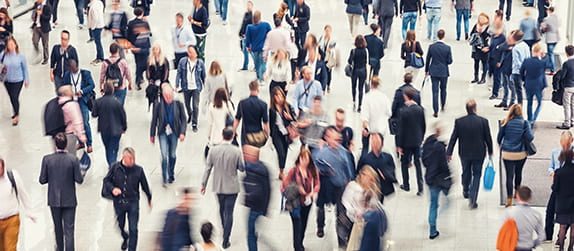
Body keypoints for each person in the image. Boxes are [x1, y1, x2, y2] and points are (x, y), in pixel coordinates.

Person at [39, 132, 84, 251]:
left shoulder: (47, 159)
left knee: (57, 228)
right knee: (69, 230)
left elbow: (42, 180)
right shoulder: (73, 159)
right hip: (69, 199)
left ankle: (59, 248)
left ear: (55, 144)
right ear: (67, 144)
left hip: (54, 199)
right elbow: (79, 180)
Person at [202, 127, 245, 249]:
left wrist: (203, 184)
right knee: (229, 212)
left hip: (218, 185)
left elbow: (208, 168)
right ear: (232, 137)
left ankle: (223, 225)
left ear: (222, 135)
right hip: (232, 186)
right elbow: (242, 168)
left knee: (221, 209)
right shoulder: (236, 151)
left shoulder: (213, 150)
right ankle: (226, 238)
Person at [103, 147, 152, 251]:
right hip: (119, 202)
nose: (132, 161)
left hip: (133, 202)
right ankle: (125, 237)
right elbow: (106, 180)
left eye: (133, 158)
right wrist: (113, 189)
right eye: (130, 158)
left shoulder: (139, 170)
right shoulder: (114, 167)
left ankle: (132, 248)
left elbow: (144, 185)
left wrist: (149, 198)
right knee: (120, 224)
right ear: (123, 157)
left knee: (133, 228)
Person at [446, 100, 493, 209]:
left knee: (466, 171)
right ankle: (473, 198)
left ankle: (465, 189)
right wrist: (490, 151)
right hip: (479, 153)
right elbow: (488, 138)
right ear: (475, 108)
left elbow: (454, 138)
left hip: (464, 152)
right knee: (477, 174)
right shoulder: (483, 122)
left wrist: (449, 152)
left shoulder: (459, 122)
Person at [314, 127, 355, 247]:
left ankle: (341, 241)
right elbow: (315, 165)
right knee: (321, 206)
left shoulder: (343, 152)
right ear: (326, 138)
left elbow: (349, 168)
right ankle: (320, 225)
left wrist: (350, 181)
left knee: (341, 213)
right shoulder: (321, 153)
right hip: (327, 186)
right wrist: (324, 171)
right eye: (331, 137)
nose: (335, 140)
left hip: (340, 186)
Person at [281, 148, 320, 251]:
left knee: (303, 224)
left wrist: (312, 192)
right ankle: (297, 247)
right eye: (302, 158)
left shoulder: (312, 170)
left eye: (306, 159)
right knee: (297, 225)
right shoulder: (294, 171)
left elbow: (317, 184)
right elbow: (284, 184)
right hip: (295, 202)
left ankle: (300, 243)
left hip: (307, 201)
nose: (304, 161)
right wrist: (297, 188)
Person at [497, 104, 534, 207]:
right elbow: (530, 138)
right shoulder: (524, 123)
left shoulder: (506, 122)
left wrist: (501, 144)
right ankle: (517, 193)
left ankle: (509, 199)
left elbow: (499, 138)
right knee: (518, 173)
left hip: (507, 153)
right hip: (520, 153)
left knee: (509, 175)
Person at [150, 83, 187, 186]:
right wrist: (152, 134)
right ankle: (165, 175)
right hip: (163, 132)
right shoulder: (158, 105)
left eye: (170, 95)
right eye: (167, 96)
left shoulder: (178, 104)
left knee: (172, 155)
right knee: (164, 154)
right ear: (163, 95)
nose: (169, 98)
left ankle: (171, 172)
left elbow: (183, 119)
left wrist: (182, 132)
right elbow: (154, 120)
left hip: (174, 132)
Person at [422, 121, 450, 239]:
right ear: (439, 131)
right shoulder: (439, 148)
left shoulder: (427, 144)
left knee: (433, 204)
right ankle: (436, 219)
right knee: (447, 201)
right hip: (440, 179)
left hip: (430, 178)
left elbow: (424, 161)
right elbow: (443, 165)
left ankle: (432, 229)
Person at [0, 157, 35, 251]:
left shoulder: (12, 177)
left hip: (12, 219)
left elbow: (23, 193)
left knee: (10, 248)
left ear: (3, 166)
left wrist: (30, 211)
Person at [545, 131, 574, 243]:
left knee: (568, 214)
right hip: (558, 186)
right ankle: (548, 235)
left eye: (566, 144)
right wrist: (552, 172)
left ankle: (561, 237)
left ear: (572, 141)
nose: (564, 146)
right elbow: (551, 167)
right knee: (550, 210)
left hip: (570, 188)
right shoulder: (555, 152)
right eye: (562, 143)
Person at [62, 59, 95, 153]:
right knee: (76, 123)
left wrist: (82, 91)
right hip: (72, 102)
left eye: (75, 67)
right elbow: (65, 86)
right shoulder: (67, 75)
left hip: (82, 100)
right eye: (71, 68)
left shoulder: (86, 74)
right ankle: (81, 142)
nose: (74, 69)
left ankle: (89, 144)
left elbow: (92, 85)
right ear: (69, 68)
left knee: (85, 122)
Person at [397, 86, 425, 195]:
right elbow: (423, 125)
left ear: (405, 96)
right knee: (418, 164)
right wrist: (421, 137)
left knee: (404, 163)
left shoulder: (404, 111)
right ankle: (420, 187)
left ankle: (406, 184)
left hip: (406, 142)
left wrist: (399, 144)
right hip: (417, 141)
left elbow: (401, 129)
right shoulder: (420, 109)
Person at [342, 165, 380, 245]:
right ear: (362, 175)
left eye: (371, 179)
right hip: (352, 222)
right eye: (367, 177)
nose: (368, 181)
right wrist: (355, 212)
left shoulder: (372, 190)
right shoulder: (353, 186)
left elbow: (374, 203)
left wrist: (370, 209)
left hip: (366, 222)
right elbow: (346, 201)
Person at [242, 145, 271, 251]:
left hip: (255, 206)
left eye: (246, 153)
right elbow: (268, 189)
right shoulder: (263, 168)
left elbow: (263, 189)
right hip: (260, 206)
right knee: (252, 230)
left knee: (250, 233)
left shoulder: (253, 169)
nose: (244, 155)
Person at [92, 81, 127, 166]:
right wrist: (124, 127)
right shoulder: (117, 102)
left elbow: (94, 114)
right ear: (112, 90)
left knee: (108, 148)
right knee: (114, 148)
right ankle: (113, 165)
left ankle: (111, 164)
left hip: (104, 130)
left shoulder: (98, 102)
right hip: (116, 129)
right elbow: (123, 116)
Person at [358, 133, 397, 203]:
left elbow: (392, 171)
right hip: (369, 190)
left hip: (382, 189)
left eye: (377, 142)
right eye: (373, 141)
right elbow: (359, 172)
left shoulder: (388, 157)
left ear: (382, 143)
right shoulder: (366, 159)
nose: (375, 144)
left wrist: (386, 174)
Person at [176, 45, 205, 131]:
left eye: (192, 52)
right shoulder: (183, 62)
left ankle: (194, 123)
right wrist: (177, 85)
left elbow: (204, 76)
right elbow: (179, 73)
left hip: (196, 87)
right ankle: (190, 114)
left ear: (196, 53)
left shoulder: (200, 63)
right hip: (186, 87)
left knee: (195, 105)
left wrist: (206, 86)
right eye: (189, 52)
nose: (190, 54)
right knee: (187, 104)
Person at [360, 77, 391, 156]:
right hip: (381, 128)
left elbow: (365, 115)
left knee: (365, 148)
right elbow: (389, 113)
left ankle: (363, 164)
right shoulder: (384, 97)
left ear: (371, 85)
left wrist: (365, 127)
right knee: (379, 149)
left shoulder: (367, 97)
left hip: (369, 127)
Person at [425, 29, 453, 118]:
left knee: (435, 91)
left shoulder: (431, 47)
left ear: (437, 36)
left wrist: (426, 70)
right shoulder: (447, 48)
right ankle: (443, 105)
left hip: (433, 70)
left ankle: (435, 110)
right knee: (443, 89)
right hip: (444, 71)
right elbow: (450, 61)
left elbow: (428, 59)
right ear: (444, 36)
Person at [269, 87, 296, 179]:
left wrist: (290, 118)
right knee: (281, 152)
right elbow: (270, 123)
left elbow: (295, 119)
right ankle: (281, 172)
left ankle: (282, 170)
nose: (279, 97)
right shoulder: (272, 110)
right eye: (276, 95)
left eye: (280, 95)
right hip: (277, 133)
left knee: (285, 152)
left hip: (286, 133)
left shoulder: (288, 106)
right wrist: (271, 135)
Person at [234, 80, 270, 147]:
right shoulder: (263, 104)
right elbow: (265, 123)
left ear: (249, 88)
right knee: (255, 155)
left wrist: (234, 131)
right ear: (258, 89)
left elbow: (237, 119)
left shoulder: (242, 103)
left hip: (245, 134)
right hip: (258, 135)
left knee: (246, 155)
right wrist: (267, 135)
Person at [3, 37, 29, 126]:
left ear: (15, 44)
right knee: (11, 97)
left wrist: (26, 79)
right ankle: (15, 111)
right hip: (7, 80)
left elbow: (25, 68)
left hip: (18, 80)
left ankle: (16, 116)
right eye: (9, 44)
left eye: (12, 44)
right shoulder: (3, 55)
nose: (10, 46)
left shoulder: (21, 56)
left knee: (14, 96)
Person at [521, 43, 547, 127]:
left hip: (528, 84)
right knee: (539, 103)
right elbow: (549, 65)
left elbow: (521, 72)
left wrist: (524, 80)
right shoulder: (541, 62)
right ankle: (534, 118)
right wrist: (544, 56)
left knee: (529, 103)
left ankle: (529, 119)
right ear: (540, 51)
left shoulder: (526, 61)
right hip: (539, 85)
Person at [553, 149, 574, 251]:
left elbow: (555, 188)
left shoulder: (559, 172)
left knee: (562, 227)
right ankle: (570, 247)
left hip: (562, 203)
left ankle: (561, 247)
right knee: (573, 227)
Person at [58, 85, 87, 155]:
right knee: (71, 157)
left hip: (58, 135)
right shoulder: (72, 104)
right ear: (66, 93)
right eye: (71, 90)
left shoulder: (58, 102)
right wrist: (82, 136)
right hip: (69, 135)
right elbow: (77, 121)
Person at [127, 7, 152, 90]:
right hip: (144, 48)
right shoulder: (145, 23)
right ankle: (141, 79)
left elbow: (128, 35)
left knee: (138, 63)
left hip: (135, 48)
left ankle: (139, 78)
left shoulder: (130, 23)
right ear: (142, 14)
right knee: (145, 64)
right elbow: (149, 34)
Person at [245, 10, 272, 84]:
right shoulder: (265, 25)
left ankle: (258, 77)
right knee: (263, 63)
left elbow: (248, 38)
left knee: (257, 64)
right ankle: (262, 78)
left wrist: (247, 46)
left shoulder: (249, 27)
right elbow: (270, 33)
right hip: (264, 48)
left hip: (255, 48)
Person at [206, 88, 235, 157]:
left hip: (214, 134)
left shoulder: (211, 106)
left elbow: (210, 122)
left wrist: (209, 134)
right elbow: (234, 116)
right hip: (225, 134)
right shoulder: (227, 104)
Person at [494, 30, 517, 109]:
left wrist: (506, 48)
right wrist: (507, 48)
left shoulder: (516, 46)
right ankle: (504, 101)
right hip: (504, 67)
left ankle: (512, 103)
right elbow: (499, 47)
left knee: (512, 86)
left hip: (511, 69)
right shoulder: (507, 43)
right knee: (505, 85)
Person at [348, 35, 369, 112]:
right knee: (361, 88)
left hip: (355, 70)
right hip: (363, 70)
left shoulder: (353, 51)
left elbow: (349, 61)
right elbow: (367, 61)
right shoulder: (365, 51)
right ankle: (360, 105)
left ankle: (354, 101)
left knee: (354, 87)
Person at [511, 30, 530, 107]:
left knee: (518, 90)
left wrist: (521, 69)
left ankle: (520, 105)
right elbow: (528, 57)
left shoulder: (515, 48)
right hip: (526, 70)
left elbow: (516, 62)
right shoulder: (526, 45)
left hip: (517, 71)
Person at [469, 13, 490, 84]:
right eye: (480, 18)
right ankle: (476, 77)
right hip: (476, 47)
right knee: (476, 62)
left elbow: (489, 36)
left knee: (484, 63)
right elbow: (471, 33)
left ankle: (483, 78)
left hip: (484, 48)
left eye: (483, 18)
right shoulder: (476, 26)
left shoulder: (488, 27)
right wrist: (474, 36)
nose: (481, 20)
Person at [487, 25, 506, 99]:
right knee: (490, 73)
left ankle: (495, 93)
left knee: (497, 77)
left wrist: (500, 61)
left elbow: (503, 50)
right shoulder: (493, 37)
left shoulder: (502, 38)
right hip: (491, 58)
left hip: (497, 60)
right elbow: (492, 47)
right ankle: (493, 87)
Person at [558, 45, 574, 130]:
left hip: (568, 86)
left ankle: (567, 123)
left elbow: (562, 76)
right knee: (573, 104)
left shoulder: (566, 64)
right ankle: (572, 121)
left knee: (567, 105)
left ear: (566, 53)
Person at [31, 0, 52, 65]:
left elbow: (48, 18)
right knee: (35, 41)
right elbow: (33, 11)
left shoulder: (48, 6)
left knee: (45, 44)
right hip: (36, 26)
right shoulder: (36, 4)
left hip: (44, 28)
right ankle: (38, 52)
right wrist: (33, 17)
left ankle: (46, 58)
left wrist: (41, 14)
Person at [318, 25, 337, 92]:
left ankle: (328, 84)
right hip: (322, 57)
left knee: (329, 73)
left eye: (329, 30)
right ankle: (323, 85)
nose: (327, 32)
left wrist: (330, 49)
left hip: (328, 58)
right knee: (322, 72)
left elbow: (332, 47)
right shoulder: (321, 38)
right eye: (326, 30)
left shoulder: (333, 40)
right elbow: (318, 45)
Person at [541, 7, 559, 74]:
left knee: (550, 54)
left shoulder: (547, 19)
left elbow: (543, 28)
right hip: (556, 37)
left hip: (550, 38)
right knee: (551, 53)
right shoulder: (557, 18)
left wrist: (542, 26)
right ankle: (550, 66)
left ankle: (552, 69)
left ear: (549, 11)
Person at [87, 0, 104, 65]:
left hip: (96, 27)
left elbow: (95, 18)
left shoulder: (93, 7)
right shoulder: (99, 2)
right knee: (98, 42)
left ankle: (100, 57)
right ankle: (99, 56)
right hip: (100, 24)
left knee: (98, 42)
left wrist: (92, 27)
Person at [238, 1, 253, 71]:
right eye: (247, 5)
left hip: (247, 36)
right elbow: (243, 24)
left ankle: (255, 64)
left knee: (249, 51)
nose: (248, 7)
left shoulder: (251, 16)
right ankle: (245, 65)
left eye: (249, 5)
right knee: (245, 52)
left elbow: (250, 27)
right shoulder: (246, 14)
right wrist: (240, 32)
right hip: (243, 35)